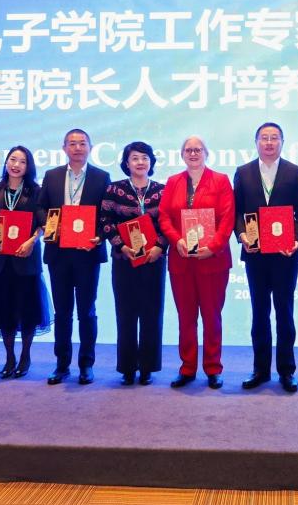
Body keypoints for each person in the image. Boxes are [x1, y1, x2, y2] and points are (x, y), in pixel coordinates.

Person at [233, 122, 298, 393]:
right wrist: (242, 234)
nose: (269, 142)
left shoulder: (294, 171)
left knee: (285, 313)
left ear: (282, 142)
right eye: (264, 138)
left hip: (284, 254)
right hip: (255, 254)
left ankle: (287, 371)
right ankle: (260, 370)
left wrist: (297, 240)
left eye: (274, 138)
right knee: (259, 313)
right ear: (256, 143)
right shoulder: (243, 172)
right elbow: (237, 211)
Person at [159, 136, 235, 389]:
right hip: (181, 260)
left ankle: (213, 368)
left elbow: (227, 218)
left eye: (198, 150)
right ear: (182, 154)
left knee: (212, 317)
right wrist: (176, 240)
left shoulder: (221, 180)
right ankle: (187, 367)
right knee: (186, 317)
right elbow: (164, 217)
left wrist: (212, 247)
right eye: (188, 150)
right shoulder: (173, 182)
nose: (193, 154)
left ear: (206, 153)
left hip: (213, 261)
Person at [38, 128, 110, 386]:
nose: (77, 148)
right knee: (62, 312)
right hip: (59, 252)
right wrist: (50, 225)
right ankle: (61, 364)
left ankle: (86, 364)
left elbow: (107, 214)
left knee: (87, 311)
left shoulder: (101, 177)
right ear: (64, 148)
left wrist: (99, 236)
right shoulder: (52, 175)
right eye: (72, 143)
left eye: (82, 143)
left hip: (87, 253)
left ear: (90, 147)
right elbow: (40, 207)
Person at [97, 141, 167, 386]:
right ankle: (127, 367)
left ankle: (147, 367)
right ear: (126, 163)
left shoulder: (163, 190)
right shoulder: (114, 189)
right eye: (135, 158)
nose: (140, 162)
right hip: (124, 260)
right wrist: (120, 245)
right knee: (126, 314)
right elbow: (105, 220)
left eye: (145, 158)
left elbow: (168, 222)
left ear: (151, 162)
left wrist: (160, 246)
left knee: (152, 314)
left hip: (154, 260)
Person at [0, 146, 50, 379]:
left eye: (22, 161)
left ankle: (25, 356)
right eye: (12, 159)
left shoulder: (36, 191)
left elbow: (42, 223)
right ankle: (9, 357)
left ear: (29, 166)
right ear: (6, 162)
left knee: (27, 311)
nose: (16, 165)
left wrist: (32, 241)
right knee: (3, 312)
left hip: (25, 259)